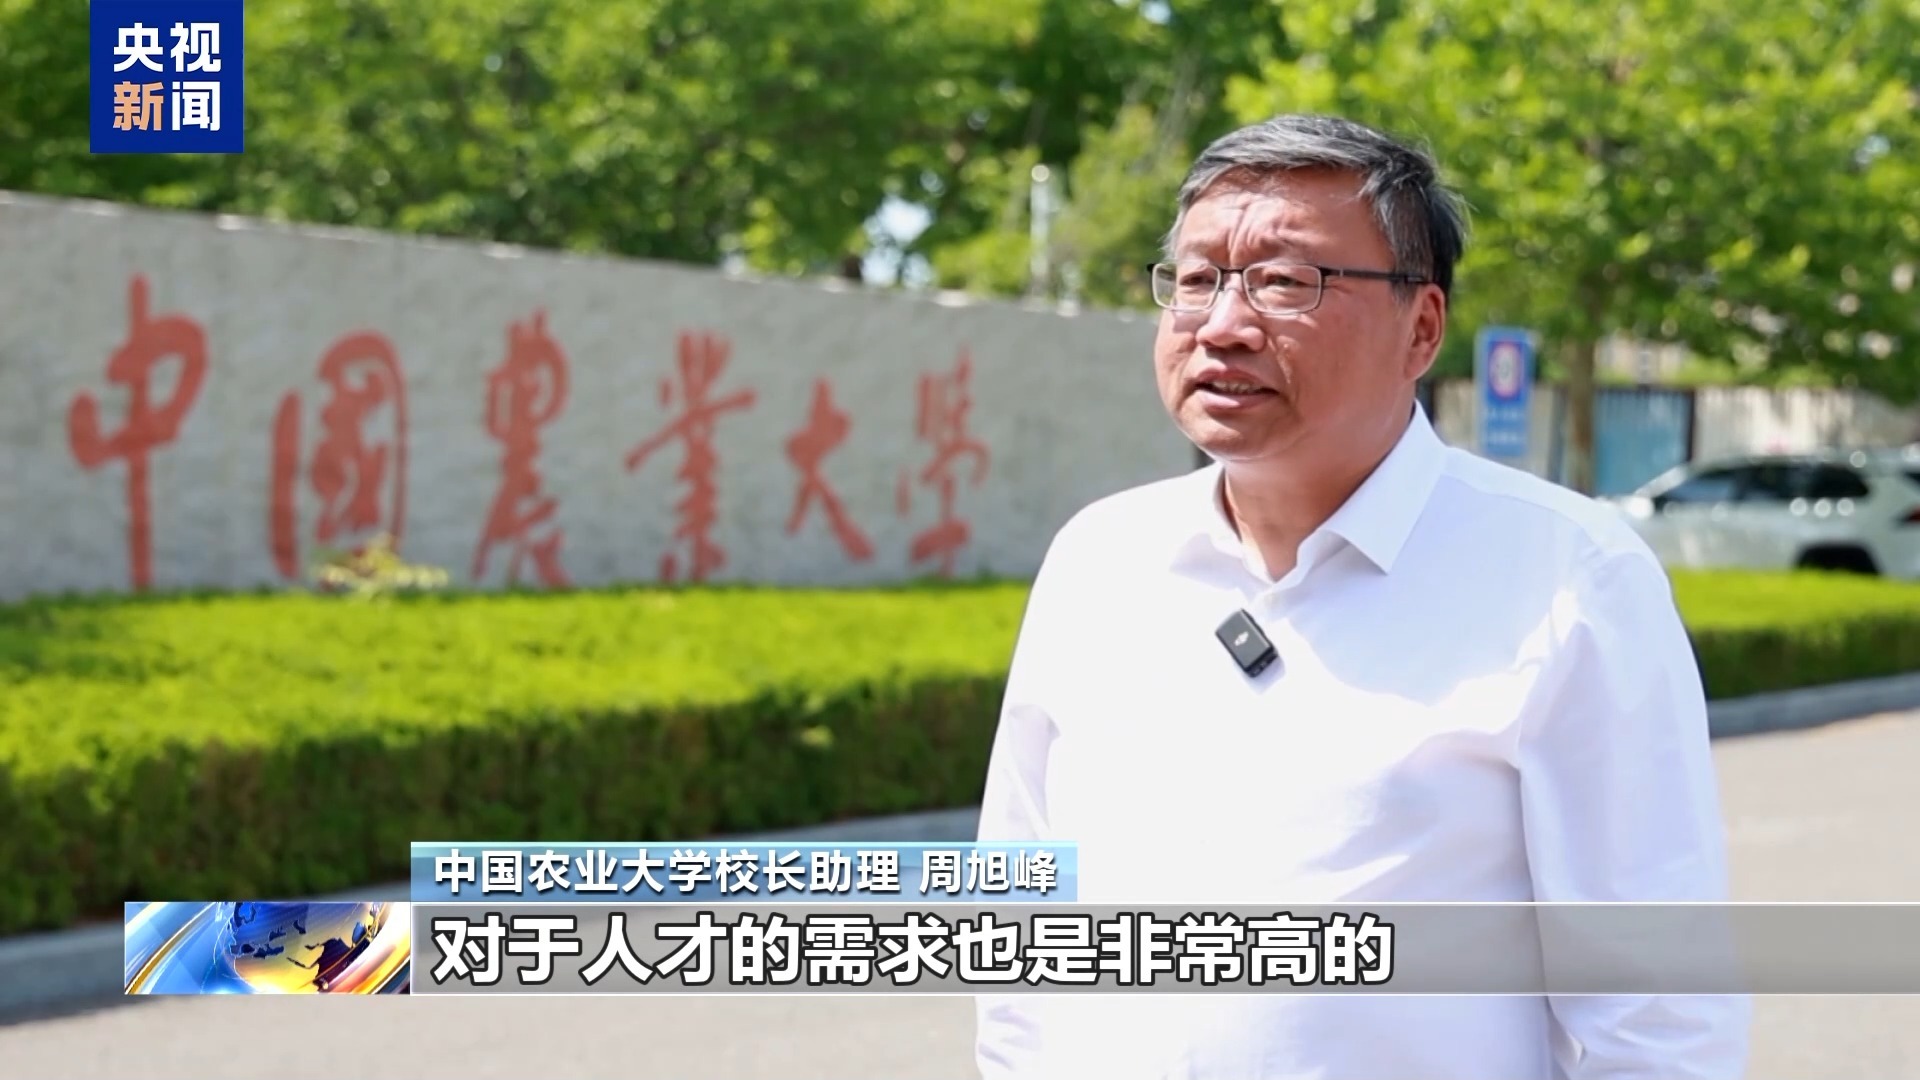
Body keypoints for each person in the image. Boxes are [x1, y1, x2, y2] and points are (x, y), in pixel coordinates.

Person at [973, 113, 1750, 1079]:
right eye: (1198, 279)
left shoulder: (1566, 575)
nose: (1222, 324)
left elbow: (1658, 1009)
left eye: (1285, 282)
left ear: (1420, 328)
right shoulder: (1101, 559)